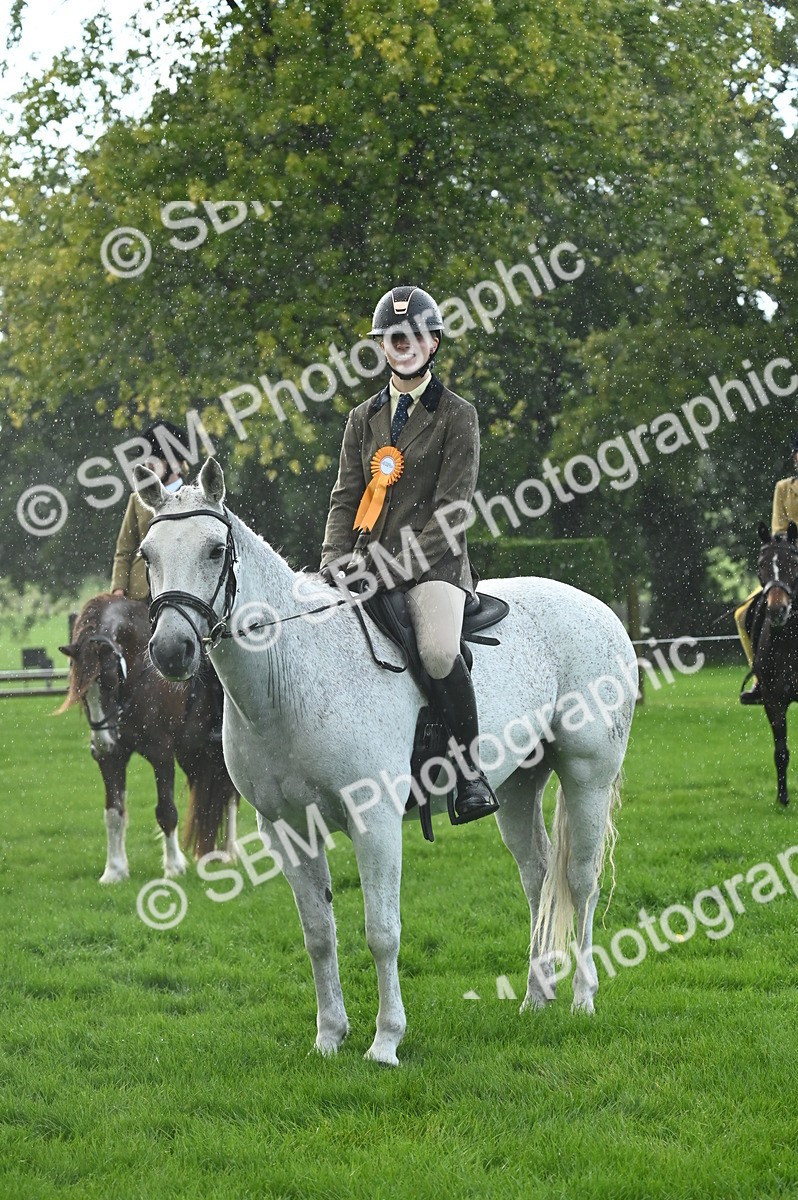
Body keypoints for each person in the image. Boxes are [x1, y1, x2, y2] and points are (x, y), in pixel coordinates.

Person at [320, 285, 500, 823]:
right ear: (382, 346)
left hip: (433, 567)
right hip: (362, 562)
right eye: (393, 336)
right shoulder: (361, 417)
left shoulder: (456, 414)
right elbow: (345, 496)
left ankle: (469, 772)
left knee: (440, 652)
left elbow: (452, 513)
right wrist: (332, 559)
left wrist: (385, 567)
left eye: (414, 335)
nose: (404, 344)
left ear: (434, 342)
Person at [737, 432, 798, 704]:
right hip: (788, 562)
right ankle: (760, 677)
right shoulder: (783, 488)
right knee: (742, 614)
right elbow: (778, 528)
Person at [111, 422, 187, 600]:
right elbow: (124, 549)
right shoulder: (136, 500)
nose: (148, 465)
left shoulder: (192, 498)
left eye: (155, 460)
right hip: (140, 593)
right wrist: (118, 589)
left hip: (180, 591)